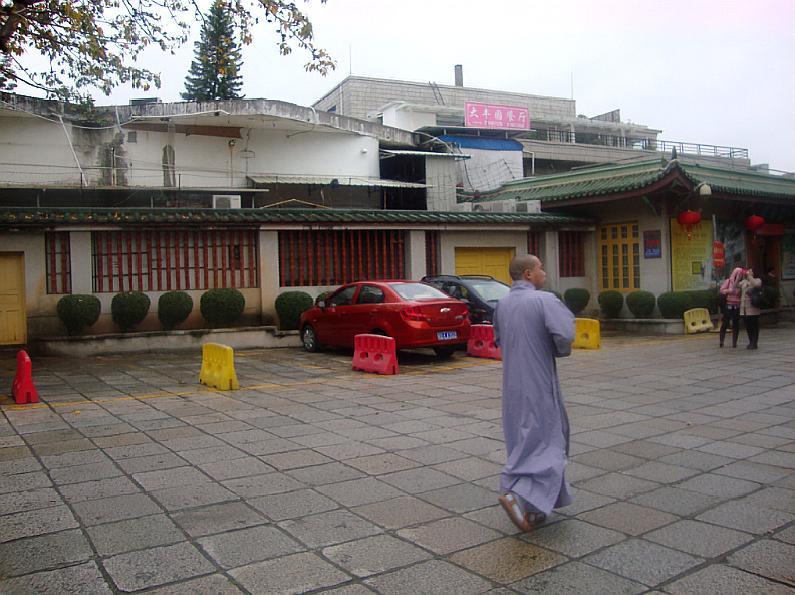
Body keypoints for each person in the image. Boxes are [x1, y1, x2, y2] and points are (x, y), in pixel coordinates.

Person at [492, 254, 575, 532]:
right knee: (547, 440)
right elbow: (564, 335)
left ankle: (536, 508)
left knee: (522, 439)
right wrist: (558, 350)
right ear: (528, 273)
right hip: (539, 381)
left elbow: (499, 338)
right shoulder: (544, 300)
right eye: (541, 267)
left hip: (513, 385)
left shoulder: (503, 303)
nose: (544, 272)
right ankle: (516, 494)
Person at [719, 267, 743, 348]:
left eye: (740, 275)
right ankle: (721, 341)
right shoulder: (728, 281)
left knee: (736, 324)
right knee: (725, 323)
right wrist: (729, 291)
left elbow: (742, 294)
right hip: (728, 306)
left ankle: (734, 342)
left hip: (737, 306)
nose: (738, 277)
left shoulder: (740, 283)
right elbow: (722, 290)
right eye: (737, 274)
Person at [739, 267, 762, 349]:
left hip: (753, 308)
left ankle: (754, 342)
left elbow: (755, 284)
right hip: (744, 308)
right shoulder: (744, 281)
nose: (749, 271)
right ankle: (750, 341)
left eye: (751, 270)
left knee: (754, 325)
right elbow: (736, 285)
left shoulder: (757, 280)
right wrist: (739, 275)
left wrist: (749, 276)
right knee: (748, 326)